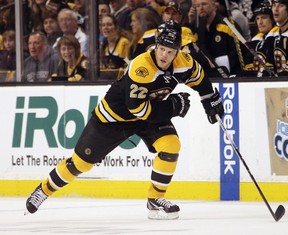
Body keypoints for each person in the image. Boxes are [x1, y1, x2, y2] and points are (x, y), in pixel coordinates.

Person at [25, 20, 224, 220]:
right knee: (80, 164)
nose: (165, 55)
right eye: (162, 49)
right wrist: (172, 106)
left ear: (177, 51)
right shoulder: (141, 67)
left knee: (171, 145)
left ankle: (155, 200)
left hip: (148, 114)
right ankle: (43, 190)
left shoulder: (184, 62)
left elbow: (199, 79)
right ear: (156, 45)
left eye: (170, 51)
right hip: (113, 118)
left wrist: (210, 98)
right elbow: (138, 109)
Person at [193, 0, 245, 75]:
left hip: (232, 75)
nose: (201, 8)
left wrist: (224, 64)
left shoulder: (227, 25)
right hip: (210, 75)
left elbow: (241, 50)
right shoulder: (199, 29)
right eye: (197, 6)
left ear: (214, 6)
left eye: (204, 4)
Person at [246, 2, 275, 77]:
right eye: (258, 18)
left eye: (264, 18)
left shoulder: (278, 38)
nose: (260, 22)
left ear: (272, 19)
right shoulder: (255, 41)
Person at [265, 0, 288, 76]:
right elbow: (270, 63)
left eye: (281, 5)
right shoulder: (272, 35)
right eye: (274, 5)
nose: (276, 9)